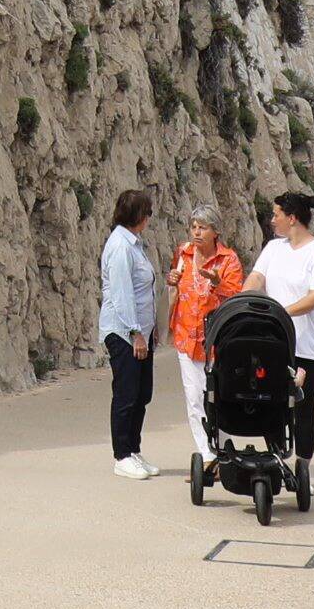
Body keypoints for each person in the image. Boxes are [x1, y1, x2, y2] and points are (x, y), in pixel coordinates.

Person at [249, 193, 314, 477]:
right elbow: (257, 277)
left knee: (302, 406)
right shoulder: (274, 248)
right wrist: (242, 298)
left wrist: (282, 312)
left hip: (309, 347)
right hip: (276, 343)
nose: (272, 219)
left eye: (276, 214)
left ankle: (302, 468)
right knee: (270, 403)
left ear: (292, 218)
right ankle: (277, 460)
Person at [166, 214, 247, 465]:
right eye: (193, 227)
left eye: (203, 227)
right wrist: (172, 280)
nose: (197, 232)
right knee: (194, 398)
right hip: (186, 336)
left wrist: (216, 283)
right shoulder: (183, 253)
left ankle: (223, 451)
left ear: (215, 231)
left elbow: (235, 297)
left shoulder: (228, 260)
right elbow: (175, 284)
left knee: (218, 397)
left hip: (218, 341)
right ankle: (207, 455)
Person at [97, 188, 161, 481]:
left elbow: (144, 289)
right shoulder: (121, 247)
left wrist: (151, 328)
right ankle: (121, 455)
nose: (149, 218)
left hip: (141, 332)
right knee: (126, 394)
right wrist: (135, 332)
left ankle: (133, 450)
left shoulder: (135, 244)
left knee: (141, 393)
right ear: (138, 216)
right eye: (147, 212)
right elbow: (122, 295)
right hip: (124, 333)